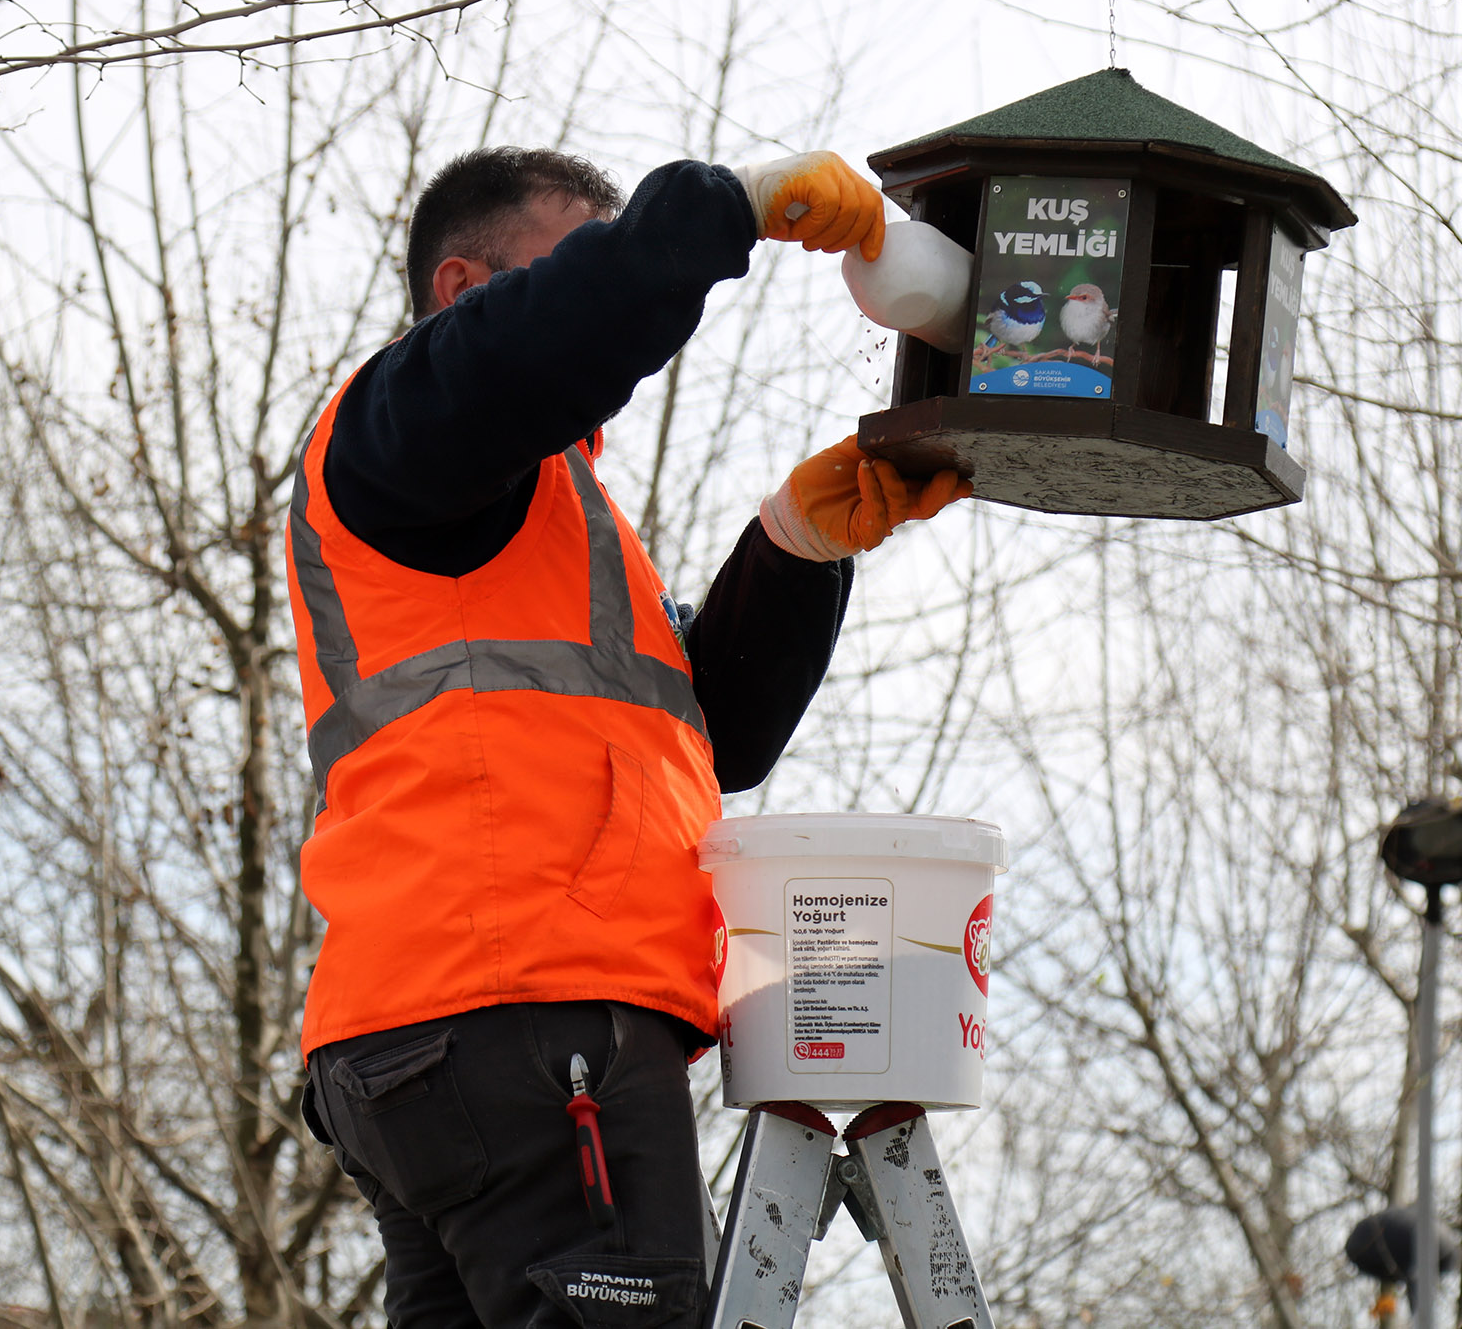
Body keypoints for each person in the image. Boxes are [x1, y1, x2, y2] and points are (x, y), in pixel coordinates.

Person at [285, 146, 968, 1328]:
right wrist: (728, 207)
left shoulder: (541, 520)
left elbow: (718, 738)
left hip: (444, 1037)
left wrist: (793, 551)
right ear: (463, 294)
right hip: (528, 1018)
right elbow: (548, 342)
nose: (619, 288)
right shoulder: (399, 433)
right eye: (578, 260)